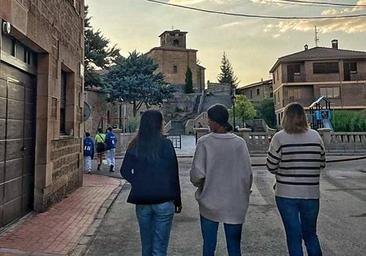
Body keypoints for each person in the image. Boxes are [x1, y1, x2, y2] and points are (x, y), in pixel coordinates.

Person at [190, 104, 253, 256]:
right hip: (235, 202)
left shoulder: (204, 142)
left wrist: (201, 186)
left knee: (209, 246)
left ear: (215, 122)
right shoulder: (239, 143)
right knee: (234, 247)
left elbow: (197, 175)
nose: (208, 123)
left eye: (209, 120)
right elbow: (247, 175)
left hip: (210, 202)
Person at [266, 102, 326, 256]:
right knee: (311, 234)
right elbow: (322, 163)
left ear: (285, 118)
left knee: (293, 236)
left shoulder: (279, 138)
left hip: (286, 194)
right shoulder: (316, 136)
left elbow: (271, 166)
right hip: (311, 194)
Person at [120, 110, 182, 256]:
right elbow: (173, 173)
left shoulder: (135, 145)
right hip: (164, 199)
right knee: (159, 247)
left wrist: (139, 182)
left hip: (143, 199)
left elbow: (124, 170)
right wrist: (177, 200)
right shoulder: (166, 144)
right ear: (159, 124)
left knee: (146, 246)